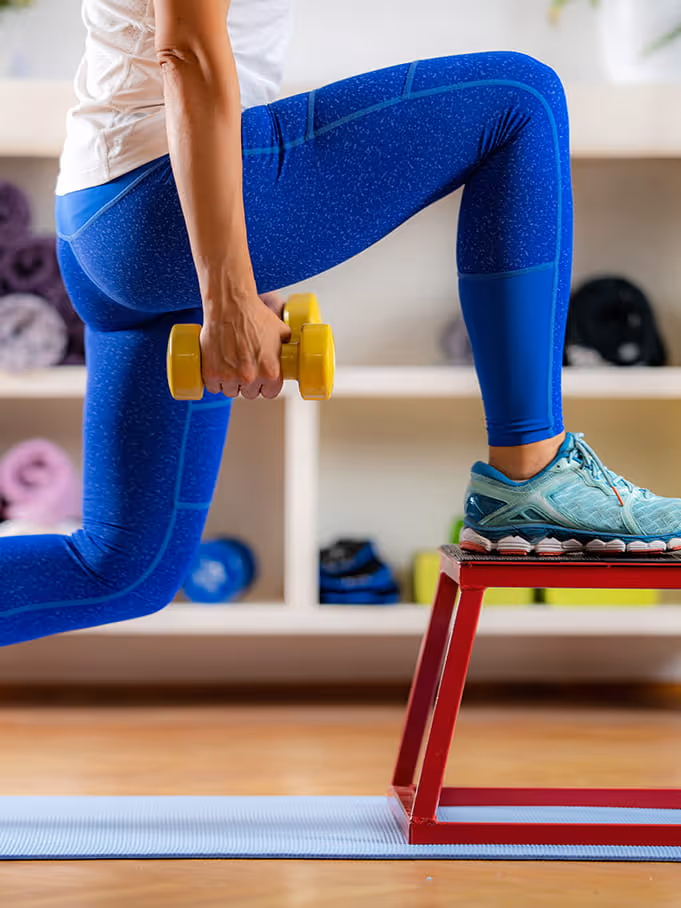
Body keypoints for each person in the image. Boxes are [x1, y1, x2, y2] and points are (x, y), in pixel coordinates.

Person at [1, 0, 679, 647]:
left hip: (100, 219)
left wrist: (238, 271)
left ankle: (534, 478)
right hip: (155, 203)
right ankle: (533, 473)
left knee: (120, 571)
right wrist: (226, 287)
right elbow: (186, 53)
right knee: (519, 99)